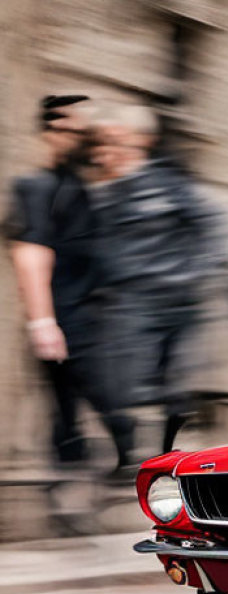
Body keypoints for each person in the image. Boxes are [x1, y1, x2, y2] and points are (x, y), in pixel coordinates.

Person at [88, 103, 228, 453]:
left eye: (122, 140)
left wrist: (196, 274)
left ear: (141, 141)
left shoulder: (169, 184)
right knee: (116, 384)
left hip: (177, 303)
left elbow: (213, 229)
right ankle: (128, 452)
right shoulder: (107, 191)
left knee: (175, 388)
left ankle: (164, 453)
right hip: (132, 302)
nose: (115, 149)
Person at [4, 94, 135, 471]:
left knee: (75, 408)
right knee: (80, 406)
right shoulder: (37, 188)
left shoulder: (79, 187)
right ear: (52, 131)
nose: (84, 137)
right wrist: (43, 321)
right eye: (74, 128)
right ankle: (78, 483)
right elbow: (30, 253)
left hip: (89, 317)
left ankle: (88, 478)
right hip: (65, 319)